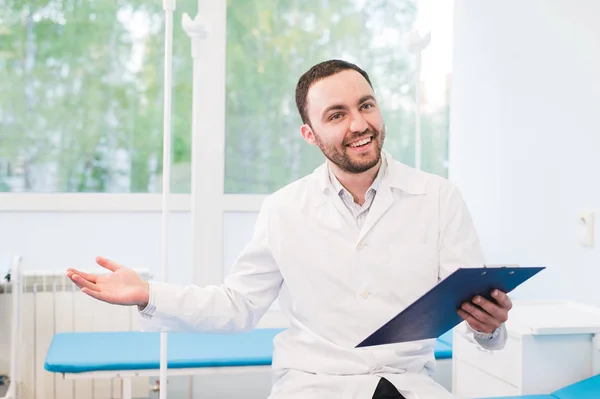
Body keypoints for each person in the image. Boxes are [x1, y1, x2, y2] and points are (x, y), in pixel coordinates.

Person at [67, 59, 512, 399]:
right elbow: (238, 305)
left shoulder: (438, 198)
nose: (359, 124)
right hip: (313, 384)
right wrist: (148, 293)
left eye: (366, 105)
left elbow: (476, 317)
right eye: (336, 115)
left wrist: (489, 327)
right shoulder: (283, 209)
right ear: (310, 134)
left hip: (405, 383)